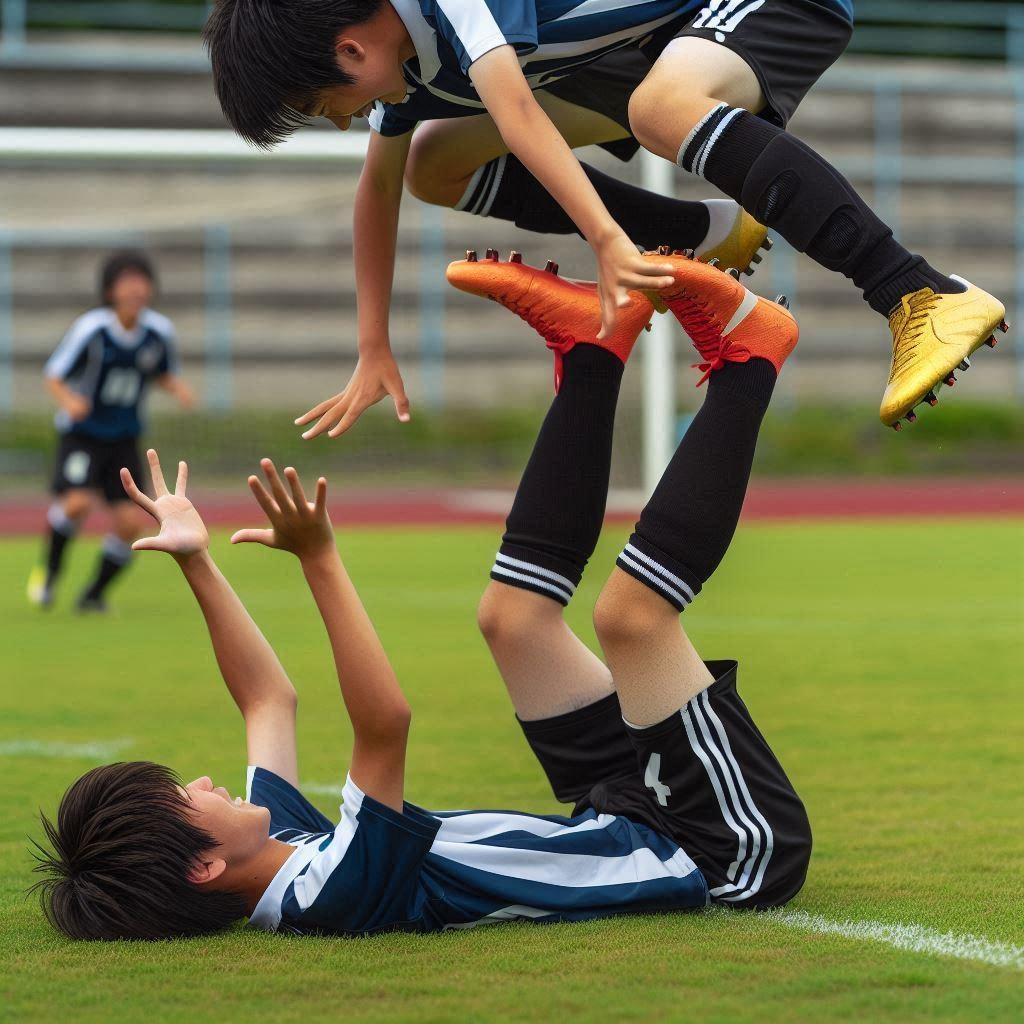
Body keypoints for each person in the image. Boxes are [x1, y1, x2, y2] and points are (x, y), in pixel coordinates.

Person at [31, 258, 810, 941]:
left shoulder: (288, 850)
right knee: (630, 619)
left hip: (618, 813)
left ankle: (593, 348)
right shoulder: (329, 895)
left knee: (513, 622)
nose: (203, 782)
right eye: (186, 797)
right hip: (717, 851)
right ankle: (751, 364)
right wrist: (320, 559)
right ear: (204, 865)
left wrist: (198, 562)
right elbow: (385, 724)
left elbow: (268, 700)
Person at [205, 0, 1006, 435]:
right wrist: (372, 345)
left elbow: (516, 110)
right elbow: (377, 192)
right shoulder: (400, 74)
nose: (342, 122)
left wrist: (608, 242)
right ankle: (712, 232)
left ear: (349, 51)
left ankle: (918, 292)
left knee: (661, 108)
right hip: (638, 53)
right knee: (430, 164)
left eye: (323, 107)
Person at [26, 251, 194, 613]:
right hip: (83, 434)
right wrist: (69, 401)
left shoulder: (158, 332)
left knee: (131, 522)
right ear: (110, 289)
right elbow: (54, 374)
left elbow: (159, 370)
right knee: (77, 503)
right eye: (127, 281)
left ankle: (93, 594)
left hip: (124, 438)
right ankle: (49, 572)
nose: (136, 288)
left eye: (141, 280)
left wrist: (176, 388)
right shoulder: (93, 329)